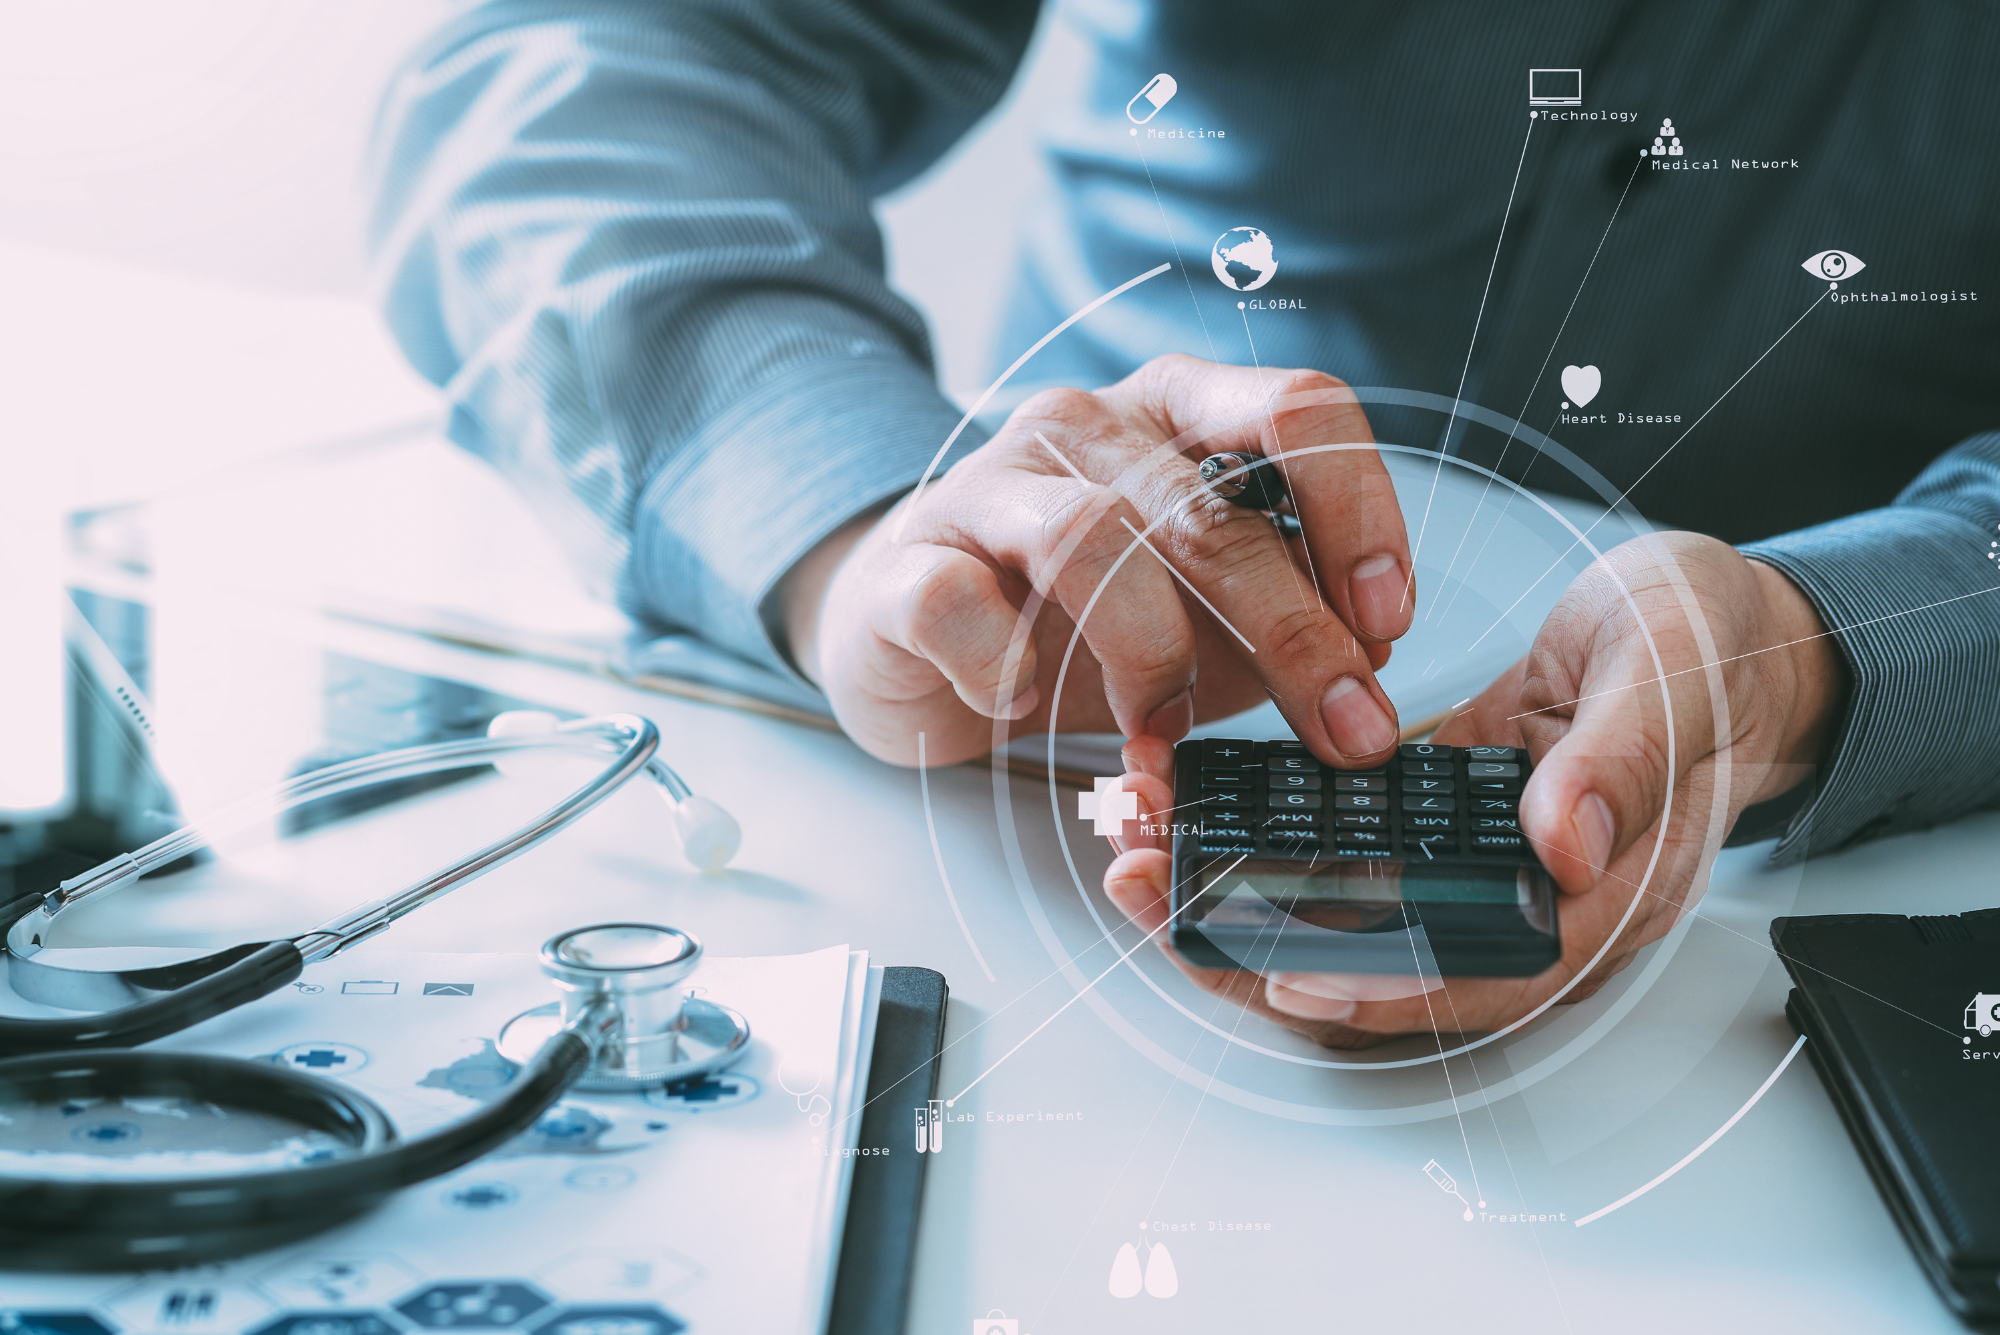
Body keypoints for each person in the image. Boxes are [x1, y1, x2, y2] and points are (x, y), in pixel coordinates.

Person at [367, 0, 2000, 1047]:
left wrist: (1815, 649)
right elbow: (577, 66)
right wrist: (856, 524)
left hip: (1824, 915)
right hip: (997, 782)